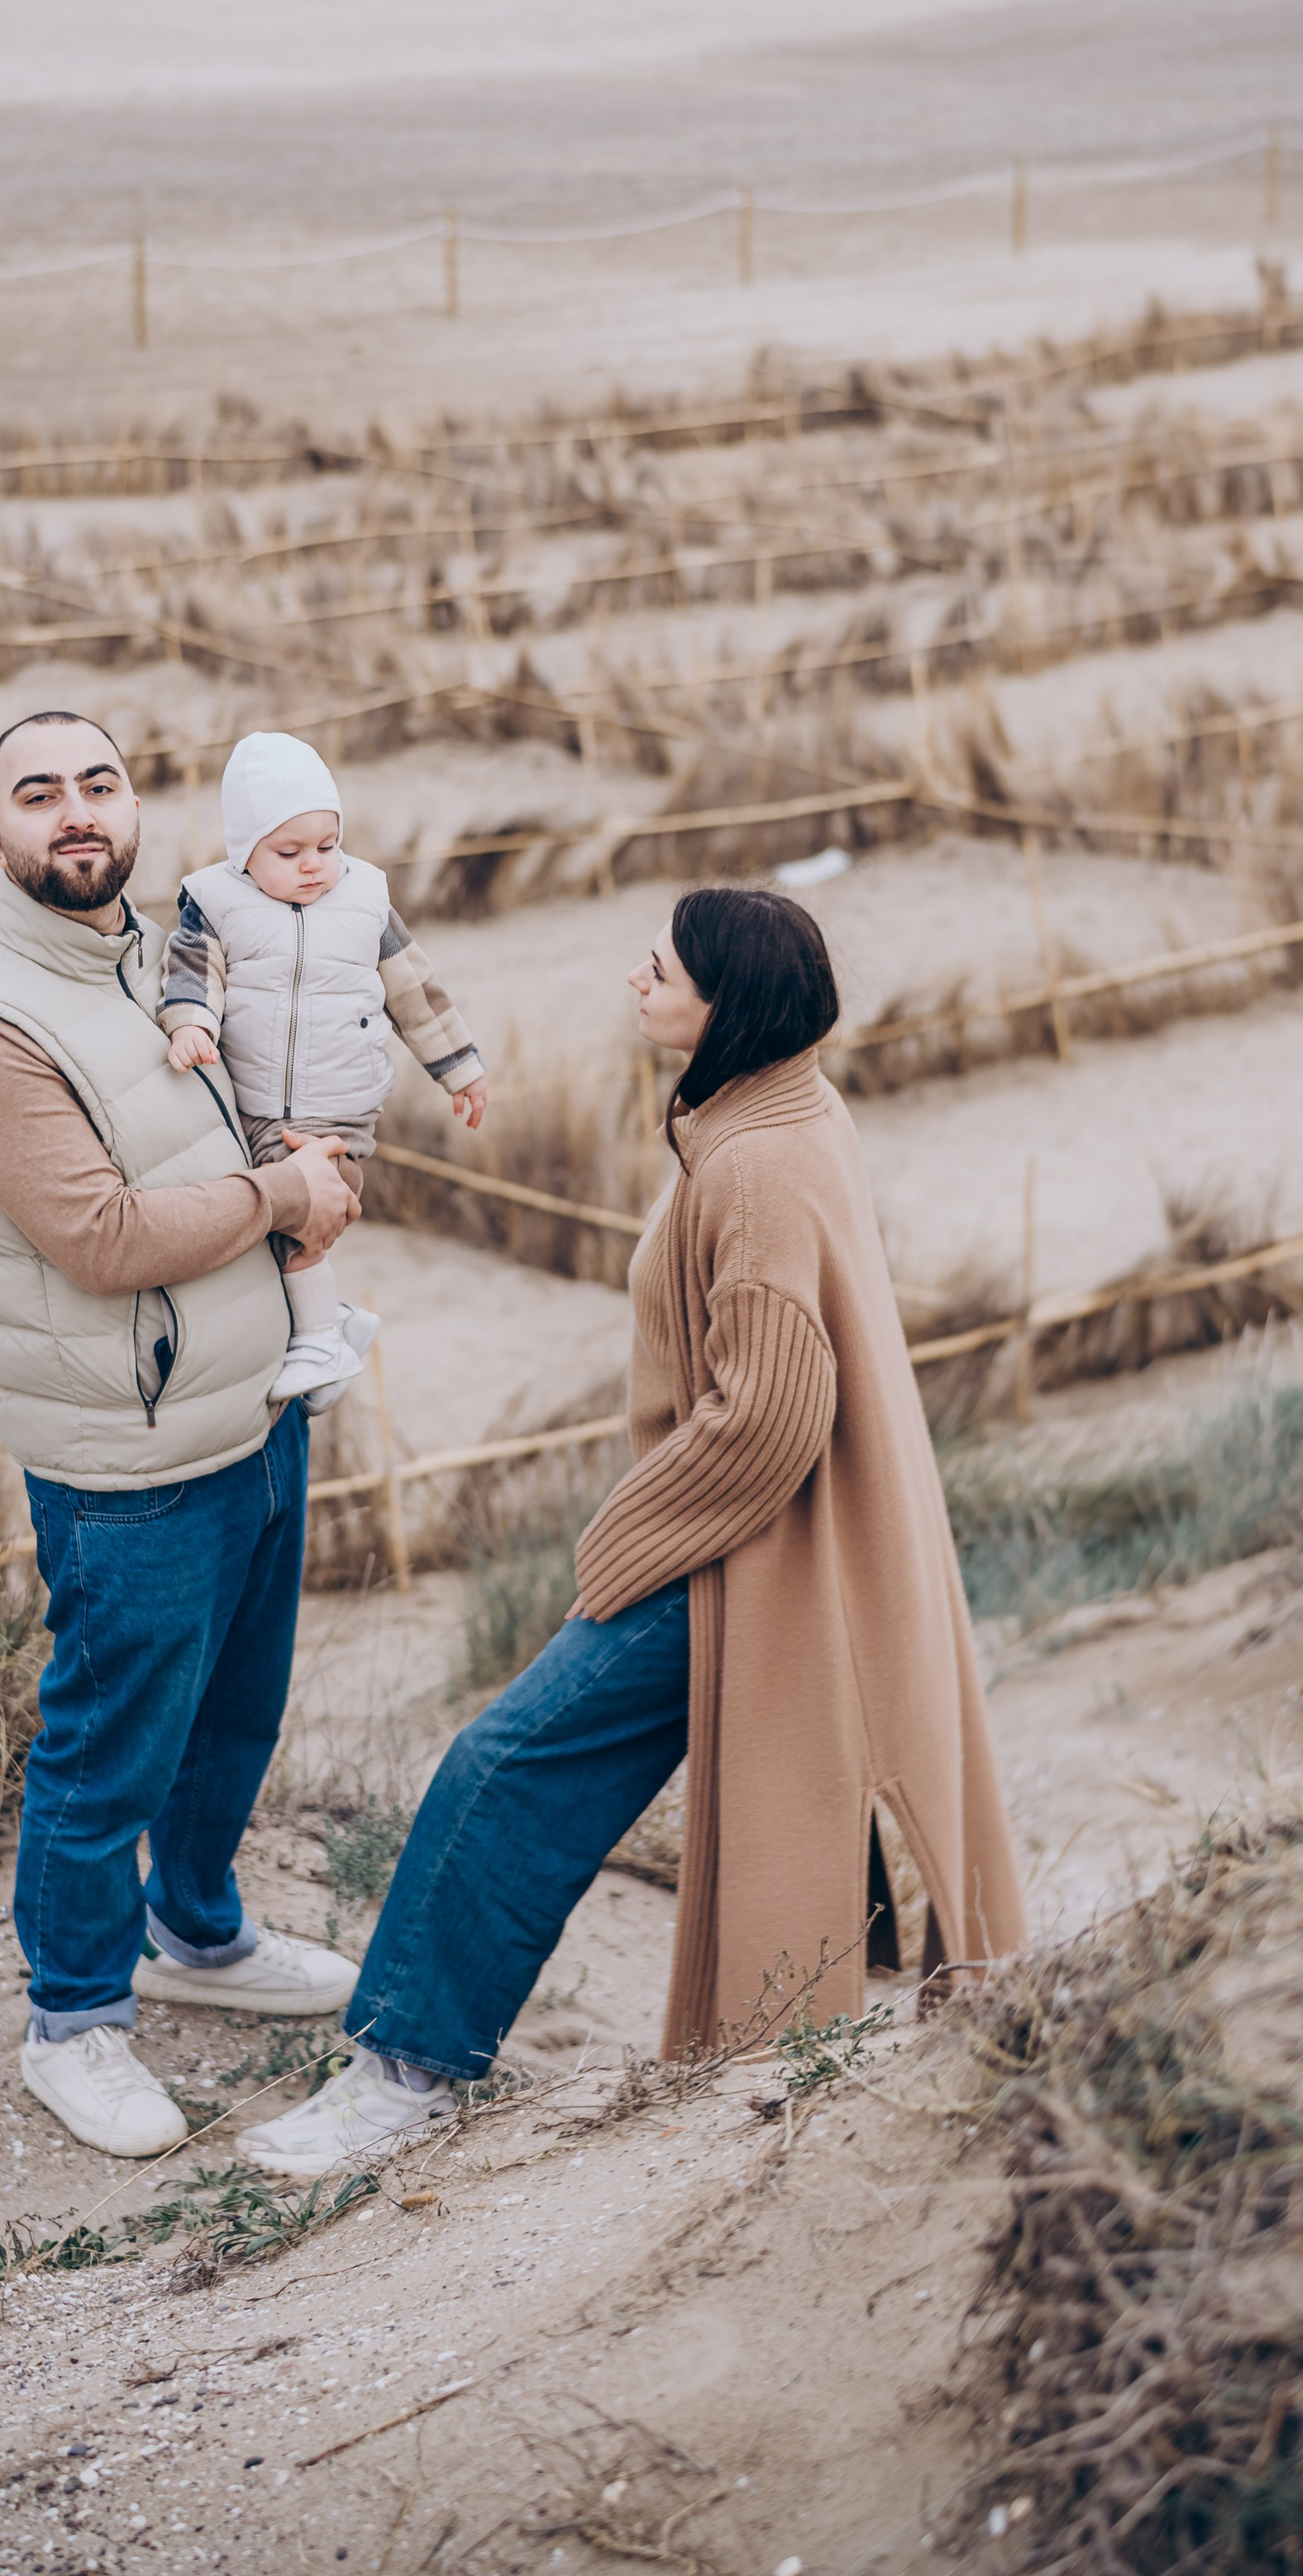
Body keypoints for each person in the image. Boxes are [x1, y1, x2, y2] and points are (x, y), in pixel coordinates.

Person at [236, 884, 1027, 2178]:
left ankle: (400, 2077)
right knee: (546, 1772)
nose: (633, 978)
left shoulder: (760, 1160)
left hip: (746, 1555)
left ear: (730, 1005)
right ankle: (433, 2064)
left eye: (659, 968)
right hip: (767, 1544)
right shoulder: (784, 1105)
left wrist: (624, 1541)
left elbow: (770, 1414)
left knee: (505, 1766)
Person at [0, 709, 366, 2158]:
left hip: (254, 1412)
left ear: (136, 808)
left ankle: (200, 1934)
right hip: (131, 1464)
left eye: (97, 784)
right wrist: (286, 1201)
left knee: (234, 1712)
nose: (75, 813)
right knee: (108, 1744)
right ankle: (75, 2021)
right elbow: (99, 1239)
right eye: (38, 796)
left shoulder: (160, 947)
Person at [158, 730, 488, 1411]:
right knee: (260, 1214)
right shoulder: (216, 904)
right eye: (290, 852)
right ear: (244, 852)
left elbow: (415, 992)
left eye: (328, 846)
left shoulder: (365, 900)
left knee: (295, 1209)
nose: (315, 866)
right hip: (255, 1097)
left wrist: (460, 1068)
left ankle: (317, 1341)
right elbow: (193, 972)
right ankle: (334, 1320)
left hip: (341, 1097)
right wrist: (189, 1022)